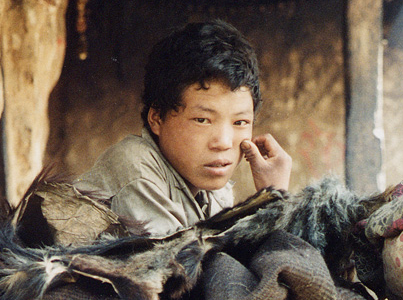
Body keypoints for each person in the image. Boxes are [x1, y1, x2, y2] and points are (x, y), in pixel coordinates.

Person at [75, 20, 292, 236]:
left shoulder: (214, 190)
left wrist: (273, 194)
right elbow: (181, 266)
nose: (224, 143)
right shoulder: (136, 170)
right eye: (202, 120)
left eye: (240, 122)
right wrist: (273, 202)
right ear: (157, 118)